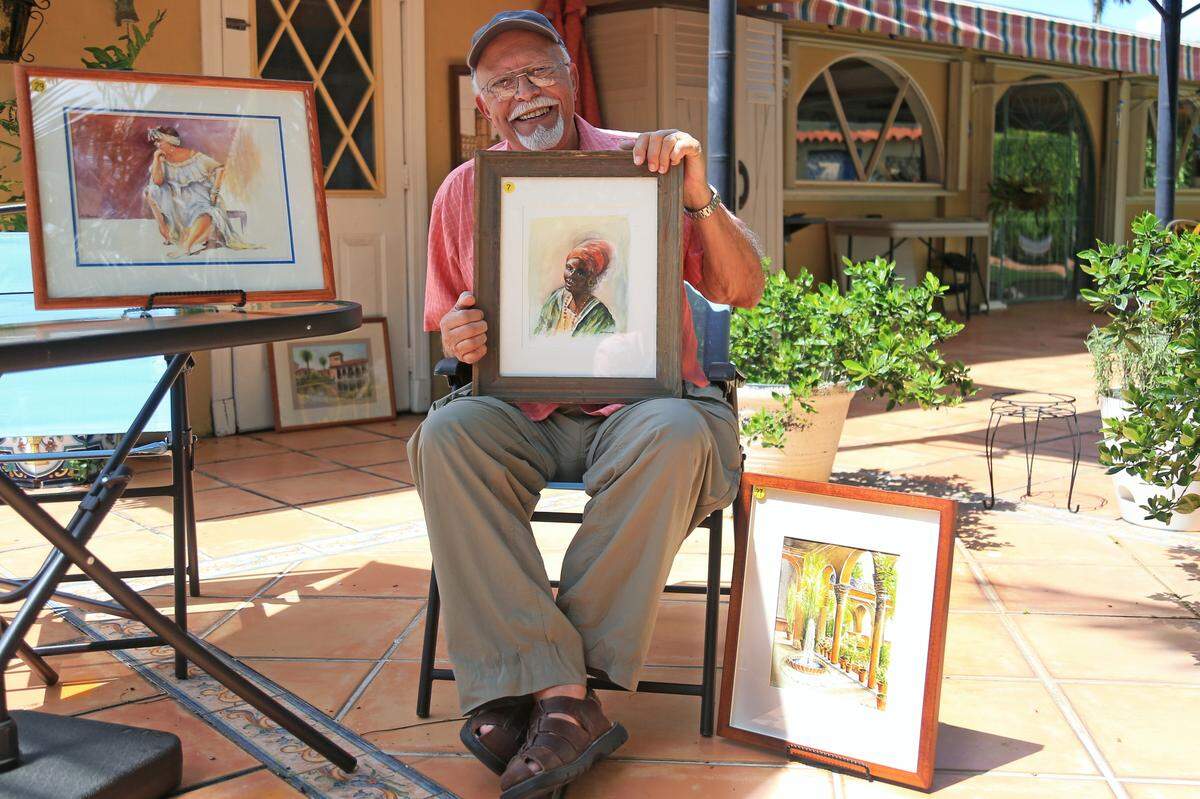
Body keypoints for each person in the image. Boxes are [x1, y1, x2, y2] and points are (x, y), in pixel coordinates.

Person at [407, 11, 764, 799]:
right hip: (524, 414)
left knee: (675, 431)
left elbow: (742, 289)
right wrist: (463, 334)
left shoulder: (648, 164)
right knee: (447, 435)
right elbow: (452, 323)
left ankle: (543, 691)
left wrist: (697, 195)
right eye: (502, 83)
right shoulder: (465, 192)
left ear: (572, 80)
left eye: (538, 72)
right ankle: (566, 700)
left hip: (650, 410)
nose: (524, 93)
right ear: (482, 106)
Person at [143, 126, 254, 258]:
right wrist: (156, 159)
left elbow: (219, 169)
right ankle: (166, 231)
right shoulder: (162, 158)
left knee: (205, 210)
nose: (156, 144)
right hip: (178, 200)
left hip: (200, 196)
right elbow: (157, 181)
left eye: (159, 141)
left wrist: (214, 192)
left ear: (170, 142)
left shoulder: (194, 157)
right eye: (155, 141)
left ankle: (186, 247)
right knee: (153, 190)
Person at [533, 238, 617, 336]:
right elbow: (538, 335)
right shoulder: (555, 300)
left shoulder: (600, 316)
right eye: (569, 268)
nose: (571, 276)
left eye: (580, 272)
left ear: (592, 279)